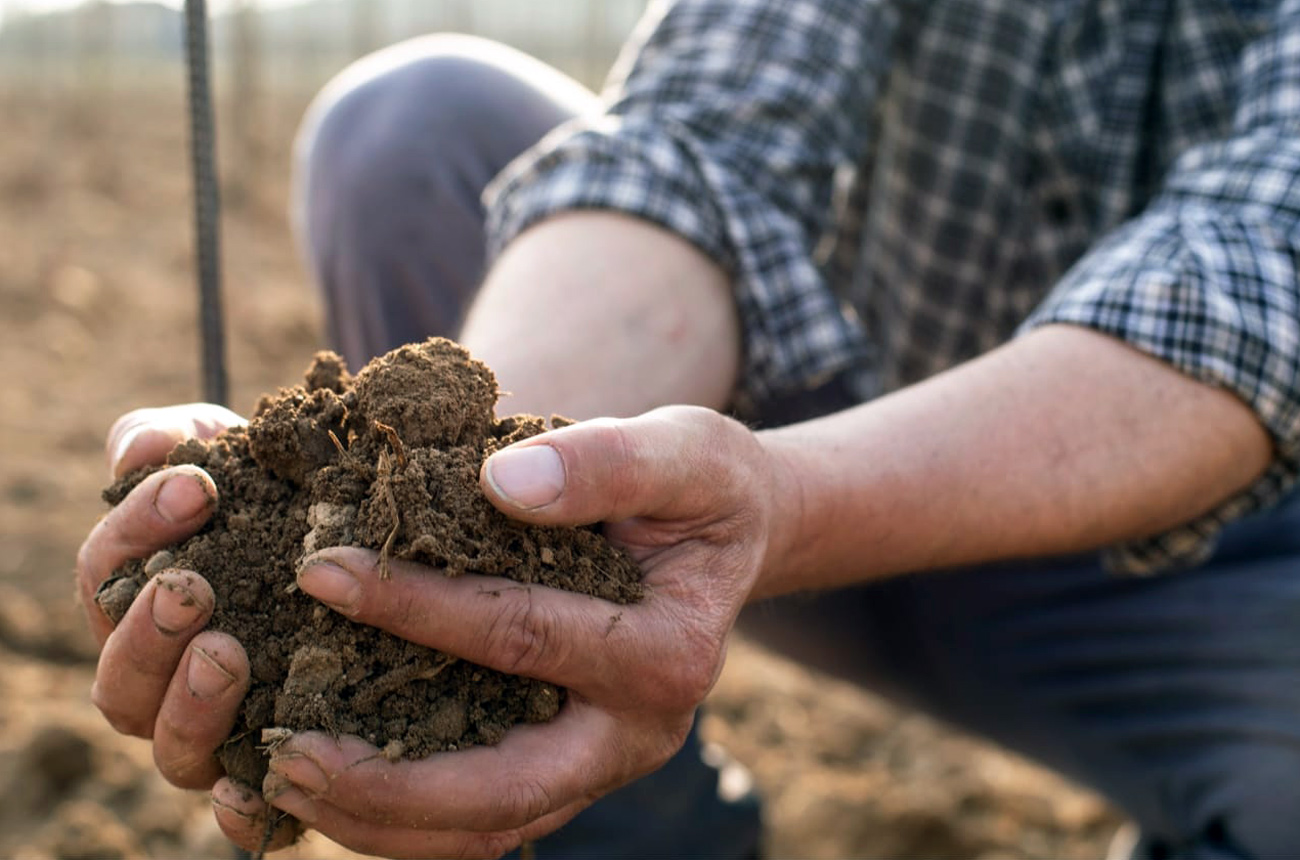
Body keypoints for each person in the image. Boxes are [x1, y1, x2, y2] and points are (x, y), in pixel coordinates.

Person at [77, 1, 1300, 857]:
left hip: (1201, 562)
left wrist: (777, 501)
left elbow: (1251, 283)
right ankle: (584, 801)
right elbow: (702, 139)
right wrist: (485, 501)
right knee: (417, 127)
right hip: (794, 449)